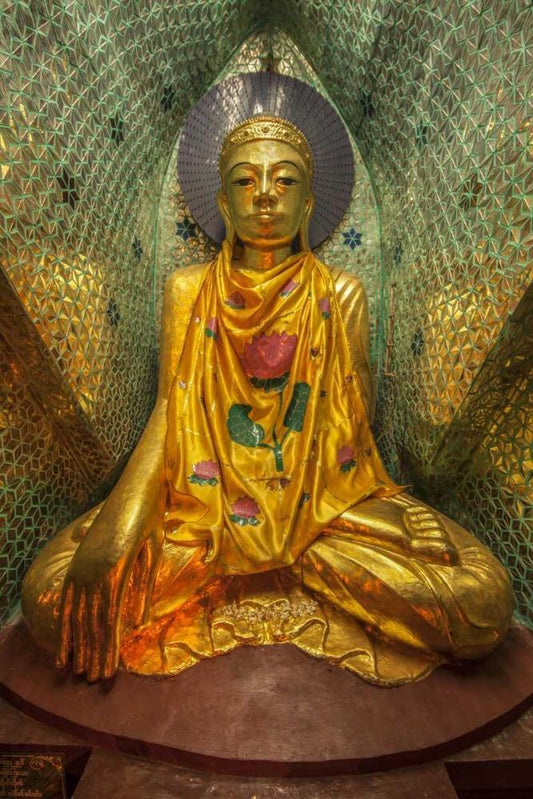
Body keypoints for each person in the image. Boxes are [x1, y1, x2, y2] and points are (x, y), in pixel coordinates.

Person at [22, 116, 513, 684]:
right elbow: (170, 412)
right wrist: (119, 530)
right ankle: (280, 564)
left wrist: (355, 519)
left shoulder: (341, 294)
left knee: (483, 602)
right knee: (51, 598)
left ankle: (269, 561)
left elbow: (351, 435)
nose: (264, 195)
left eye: (284, 181)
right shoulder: (188, 289)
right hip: (202, 506)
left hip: (320, 504)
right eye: (244, 180)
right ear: (223, 204)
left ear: (308, 205)